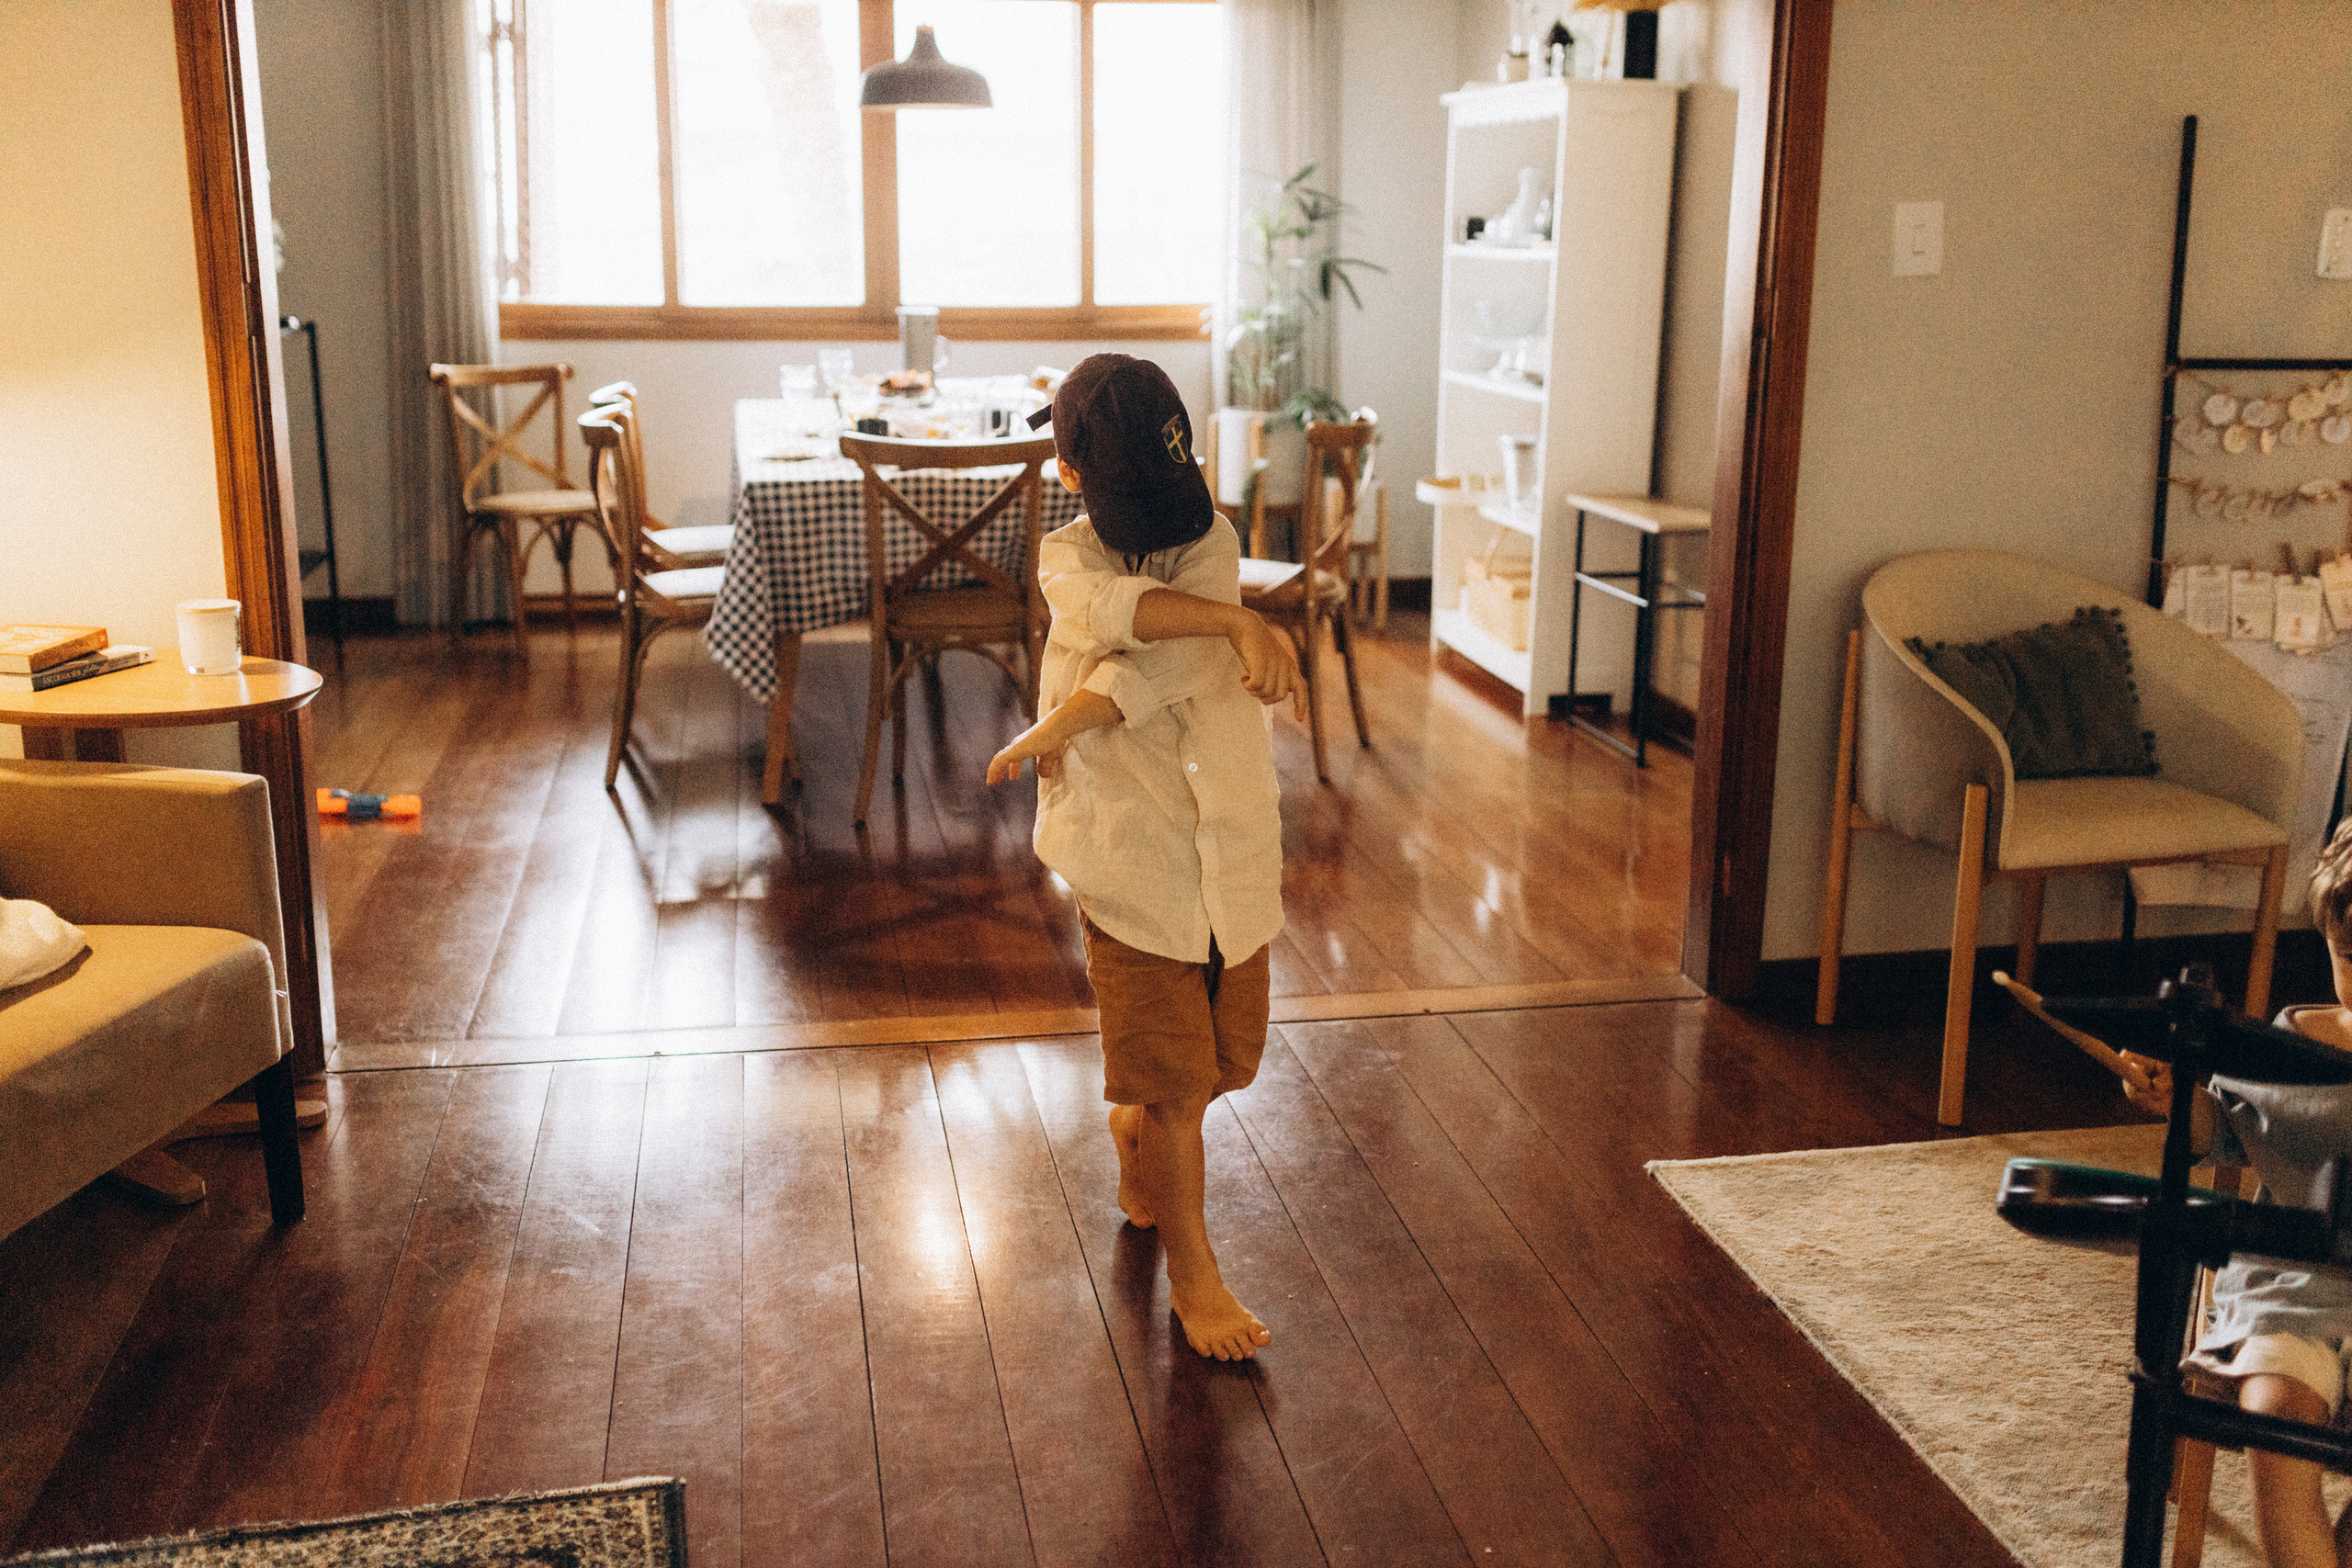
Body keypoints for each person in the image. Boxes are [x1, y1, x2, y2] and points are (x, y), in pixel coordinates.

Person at [985, 353, 1305, 1361]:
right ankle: (1193, 1275)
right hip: (1131, 860)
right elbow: (1120, 627)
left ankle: (1136, 1125)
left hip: (1232, 854)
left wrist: (1062, 721)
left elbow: (1166, 667)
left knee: (1220, 1067)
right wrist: (1237, 618)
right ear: (1069, 474)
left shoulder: (1210, 535)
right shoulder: (1064, 557)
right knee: (1176, 1088)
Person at [2123, 818, 2352, 1568]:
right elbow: (2217, 1131)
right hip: (2294, 1289)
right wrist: (2175, 1092)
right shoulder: (2291, 1040)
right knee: (2276, 1414)